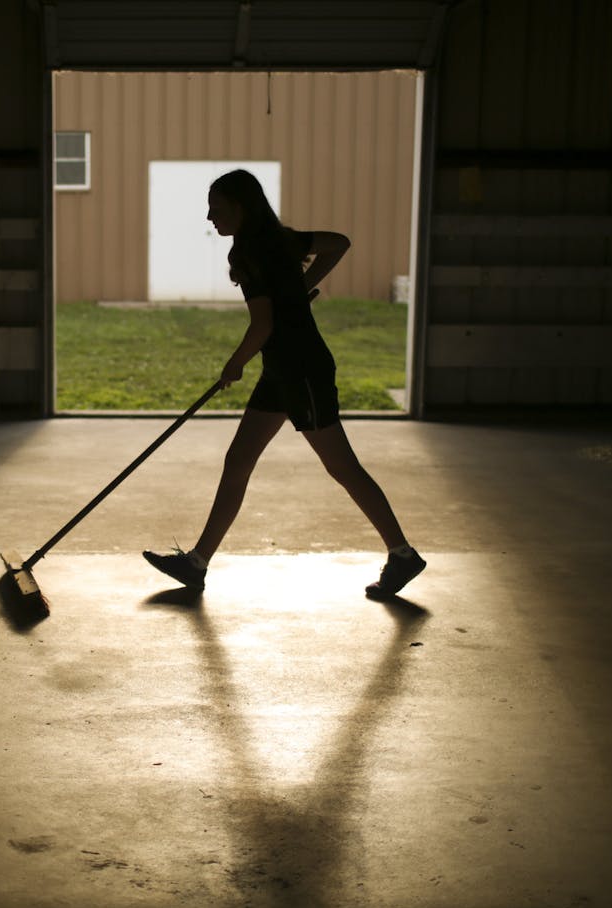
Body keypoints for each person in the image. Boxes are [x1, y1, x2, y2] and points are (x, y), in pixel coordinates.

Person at [143, 169, 425, 600]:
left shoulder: (251, 254)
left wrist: (233, 364)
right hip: (282, 370)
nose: (209, 215)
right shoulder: (280, 241)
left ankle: (402, 553)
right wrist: (300, 288)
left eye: (216, 207)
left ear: (241, 207)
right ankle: (196, 564)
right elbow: (339, 244)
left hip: (302, 372)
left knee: (341, 466)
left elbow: (263, 324)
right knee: (238, 459)